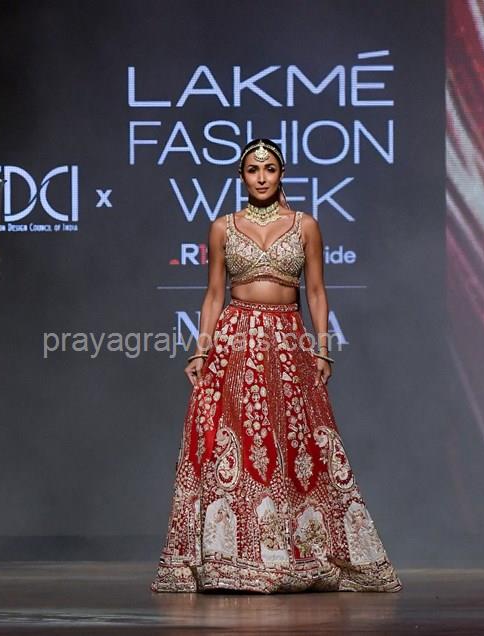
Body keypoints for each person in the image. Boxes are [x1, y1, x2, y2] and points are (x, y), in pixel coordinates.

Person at [150, 138, 402, 594]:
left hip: (287, 341)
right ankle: (232, 559)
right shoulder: (222, 227)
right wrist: (201, 350)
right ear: (241, 176)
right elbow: (214, 294)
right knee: (232, 445)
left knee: (295, 446)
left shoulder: (305, 225)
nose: (262, 177)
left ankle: (294, 556)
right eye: (253, 169)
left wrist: (322, 349)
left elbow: (317, 292)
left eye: (269, 169)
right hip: (235, 341)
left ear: (281, 173)